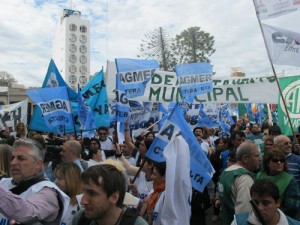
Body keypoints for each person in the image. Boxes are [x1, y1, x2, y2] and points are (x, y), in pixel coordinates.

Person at [0, 138, 70, 225]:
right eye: (12, 158)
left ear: (38, 164)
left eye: (21, 158)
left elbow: (27, 214)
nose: (13, 162)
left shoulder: (48, 192)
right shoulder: (3, 182)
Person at [70, 164, 148, 225]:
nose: (83, 202)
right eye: (83, 192)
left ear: (114, 197)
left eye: (92, 193)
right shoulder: (80, 218)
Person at [218, 140, 261, 225]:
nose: (260, 159)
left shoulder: (226, 172)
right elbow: (245, 213)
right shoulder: (244, 178)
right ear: (245, 158)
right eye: (256, 156)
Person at [231, 179, 299, 225]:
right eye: (256, 203)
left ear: (278, 202)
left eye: (266, 203)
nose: (260, 208)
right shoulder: (238, 222)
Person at [256, 148, 300, 219]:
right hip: (259, 216)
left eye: (282, 160)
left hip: (283, 219)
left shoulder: (289, 179)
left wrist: (272, 215)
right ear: (267, 162)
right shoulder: (259, 175)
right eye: (275, 160)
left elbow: (292, 208)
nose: (279, 163)